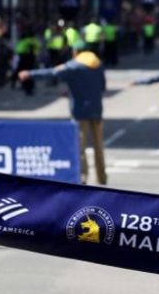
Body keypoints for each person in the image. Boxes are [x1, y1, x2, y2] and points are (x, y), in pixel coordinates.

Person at [20, 40, 108, 185]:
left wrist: (29, 74)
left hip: (80, 112)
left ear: (75, 52)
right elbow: (103, 86)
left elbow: (51, 73)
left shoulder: (73, 66)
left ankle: (83, 177)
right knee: (99, 146)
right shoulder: (98, 65)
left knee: (80, 146)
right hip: (96, 110)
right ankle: (102, 177)